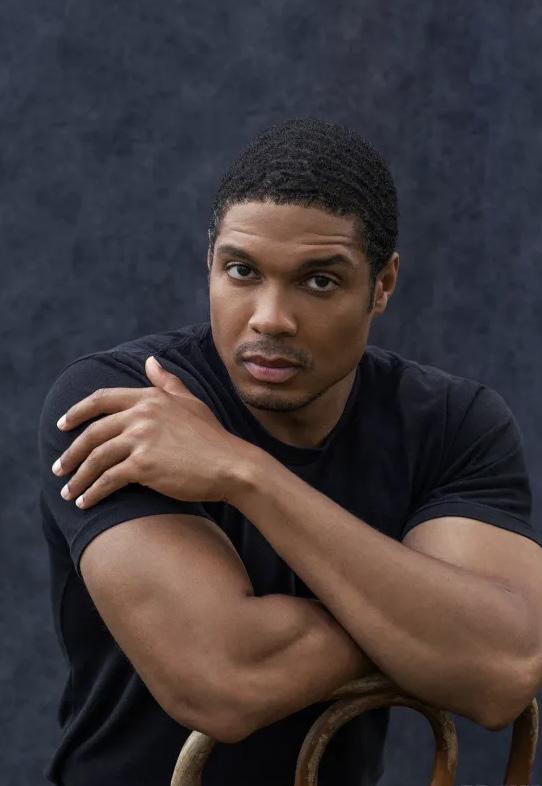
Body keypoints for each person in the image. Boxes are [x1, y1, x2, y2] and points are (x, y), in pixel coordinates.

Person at [38, 118, 542, 786]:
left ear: (383, 285)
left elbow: (502, 671)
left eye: (320, 281)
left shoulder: (454, 425)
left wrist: (244, 472)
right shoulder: (125, 403)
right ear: (210, 263)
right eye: (241, 271)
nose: (270, 318)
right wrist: (421, 639)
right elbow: (223, 682)